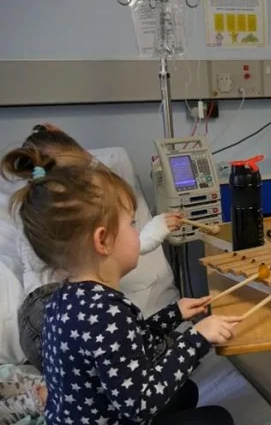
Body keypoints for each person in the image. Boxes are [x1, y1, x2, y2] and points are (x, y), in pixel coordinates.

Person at [2, 145, 241, 424]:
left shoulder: (64, 299)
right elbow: (141, 402)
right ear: (103, 241)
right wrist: (196, 339)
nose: (136, 232)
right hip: (119, 416)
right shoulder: (105, 312)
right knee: (217, 419)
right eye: (131, 224)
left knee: (185, 392)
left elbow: (126, 347)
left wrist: (173, 314)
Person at [1, 123, 183, 371]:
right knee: (151, 352)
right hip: (42, 322)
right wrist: (193, 343)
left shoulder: (56, 223)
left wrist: (157, 227)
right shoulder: (90, 307)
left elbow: (120, 244)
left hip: (47, 318)